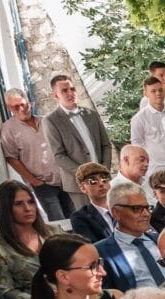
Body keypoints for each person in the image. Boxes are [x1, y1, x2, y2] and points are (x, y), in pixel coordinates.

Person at [0, 180, 61, 299]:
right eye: (18, 204)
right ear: (6, 208)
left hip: (73, 298)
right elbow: (5, 290)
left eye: (31, 202)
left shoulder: (54, 232)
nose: (28, 208)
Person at [0, 88, 72, 220]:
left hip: (65, 178)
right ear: (8, 108)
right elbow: (11, 158)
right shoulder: (8, 129)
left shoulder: (46, 121)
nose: (22, 109)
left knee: (74, 217)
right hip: (43, 184)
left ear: (29, 102)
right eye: (16, 107)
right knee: (59, 221)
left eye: (24, 104)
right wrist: (33, 180)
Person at [42, 74, 112, 209]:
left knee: (110, 218)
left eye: (72, 89)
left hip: (102, 181)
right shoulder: (51, 121)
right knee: (89, 222)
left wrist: (103, 171)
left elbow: (106, 145)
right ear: (55, 96)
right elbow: (59, 155)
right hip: (78, 184)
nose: (70, 93)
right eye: (64, 91)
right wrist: (85, 175)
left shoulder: (91, 114)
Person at [95, 183, 165, 291]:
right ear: (116, 213)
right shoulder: (101, 252)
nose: (146, 214)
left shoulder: (161, 239)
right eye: (137, 208)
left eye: (147, 208)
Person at [68, 163, 114, 243]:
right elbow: (93, 247)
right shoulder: (80, 218)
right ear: (83, 188)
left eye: (104, 179)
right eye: (93, 181)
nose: (101, 184)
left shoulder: (125, 206)